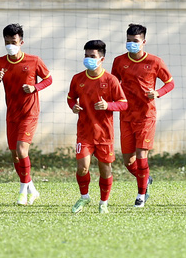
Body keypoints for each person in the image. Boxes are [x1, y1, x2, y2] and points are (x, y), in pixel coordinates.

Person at [0, 24, 52, 205]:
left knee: (22, 150)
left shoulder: (33, 61)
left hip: (29, 112)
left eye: (13, 42)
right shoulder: (0, 63)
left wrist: (35, 87)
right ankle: (32, 188)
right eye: (7, 42)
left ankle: (23, 192)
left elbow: (48, 79)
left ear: (21, 42)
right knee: (15, 155)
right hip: (12, 114)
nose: (10, 45)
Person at [111, 23, 174, 207]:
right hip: (126, 115)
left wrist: (158, 93)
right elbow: (114, 84)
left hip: (146, 115)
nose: (132, 44)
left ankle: (141, 195)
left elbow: (170, 83)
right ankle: (145, 178)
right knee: (128, 161)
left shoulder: (155, 62)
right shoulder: (119, 61)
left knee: (141, 155)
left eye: (135, 41)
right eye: (129, 41)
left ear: (143, 42)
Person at [68, 40, 128, 214]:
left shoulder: (111, 80)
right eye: (86, 56)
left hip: (104, 134)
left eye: (92, 56)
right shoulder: (77, 79)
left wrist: (108, 105)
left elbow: (123, 104)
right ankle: (85, 197)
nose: (88, 59)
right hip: (84, 132)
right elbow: (71, 98)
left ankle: (104, 202)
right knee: (82, 167)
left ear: (101, 58)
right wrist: (73, 106)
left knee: (105, 169)